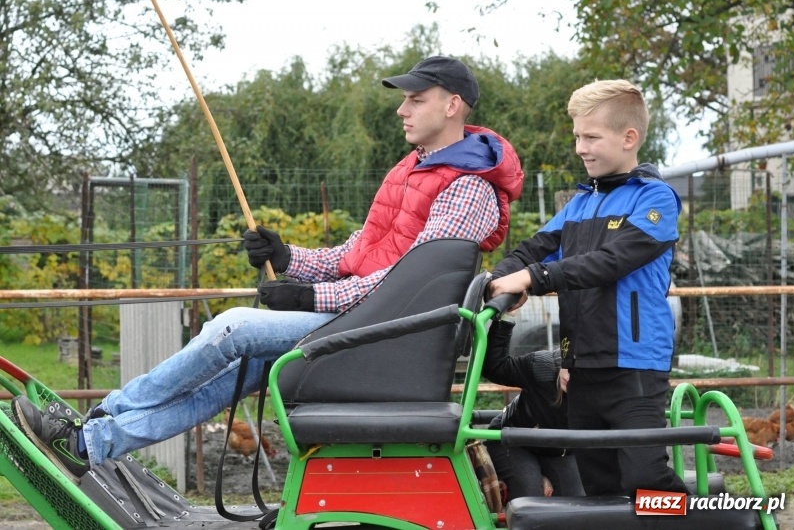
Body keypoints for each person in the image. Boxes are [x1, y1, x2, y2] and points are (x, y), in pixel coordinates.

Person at [12, 56, 524, 484]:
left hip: (387, 335)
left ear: (452, 105)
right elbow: (359, 254)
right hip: (364, 318)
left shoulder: (468, 188)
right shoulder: (414, 168)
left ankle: (103, 413)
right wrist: (288, 258)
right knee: (234, 374)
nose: (401, 109)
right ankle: (91, 443)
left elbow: (410, 289)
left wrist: (309, 297)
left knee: (233, 327)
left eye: (416, 99)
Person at [486, 79, 687, 497]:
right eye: (578, 136)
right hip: (580, 371)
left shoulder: (655, 199)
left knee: (646, 481)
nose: (580, 147)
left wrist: (534, 278)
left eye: (591, 137)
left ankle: (723, 518)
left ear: (628, 138)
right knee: (599, 488)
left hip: (633, 368)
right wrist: (498, 281)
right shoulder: (579, 205)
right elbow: (532, 249)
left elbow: (612, 261)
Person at [482, 314, 585, 500]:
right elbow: (495, 368)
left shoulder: (605, 390)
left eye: (580, 373)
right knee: (529, 494)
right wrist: (505, 318)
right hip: (514, 441)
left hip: (559, 451)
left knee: (577, 499)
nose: (569, 377)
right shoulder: (541, 366)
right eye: (568, 365)